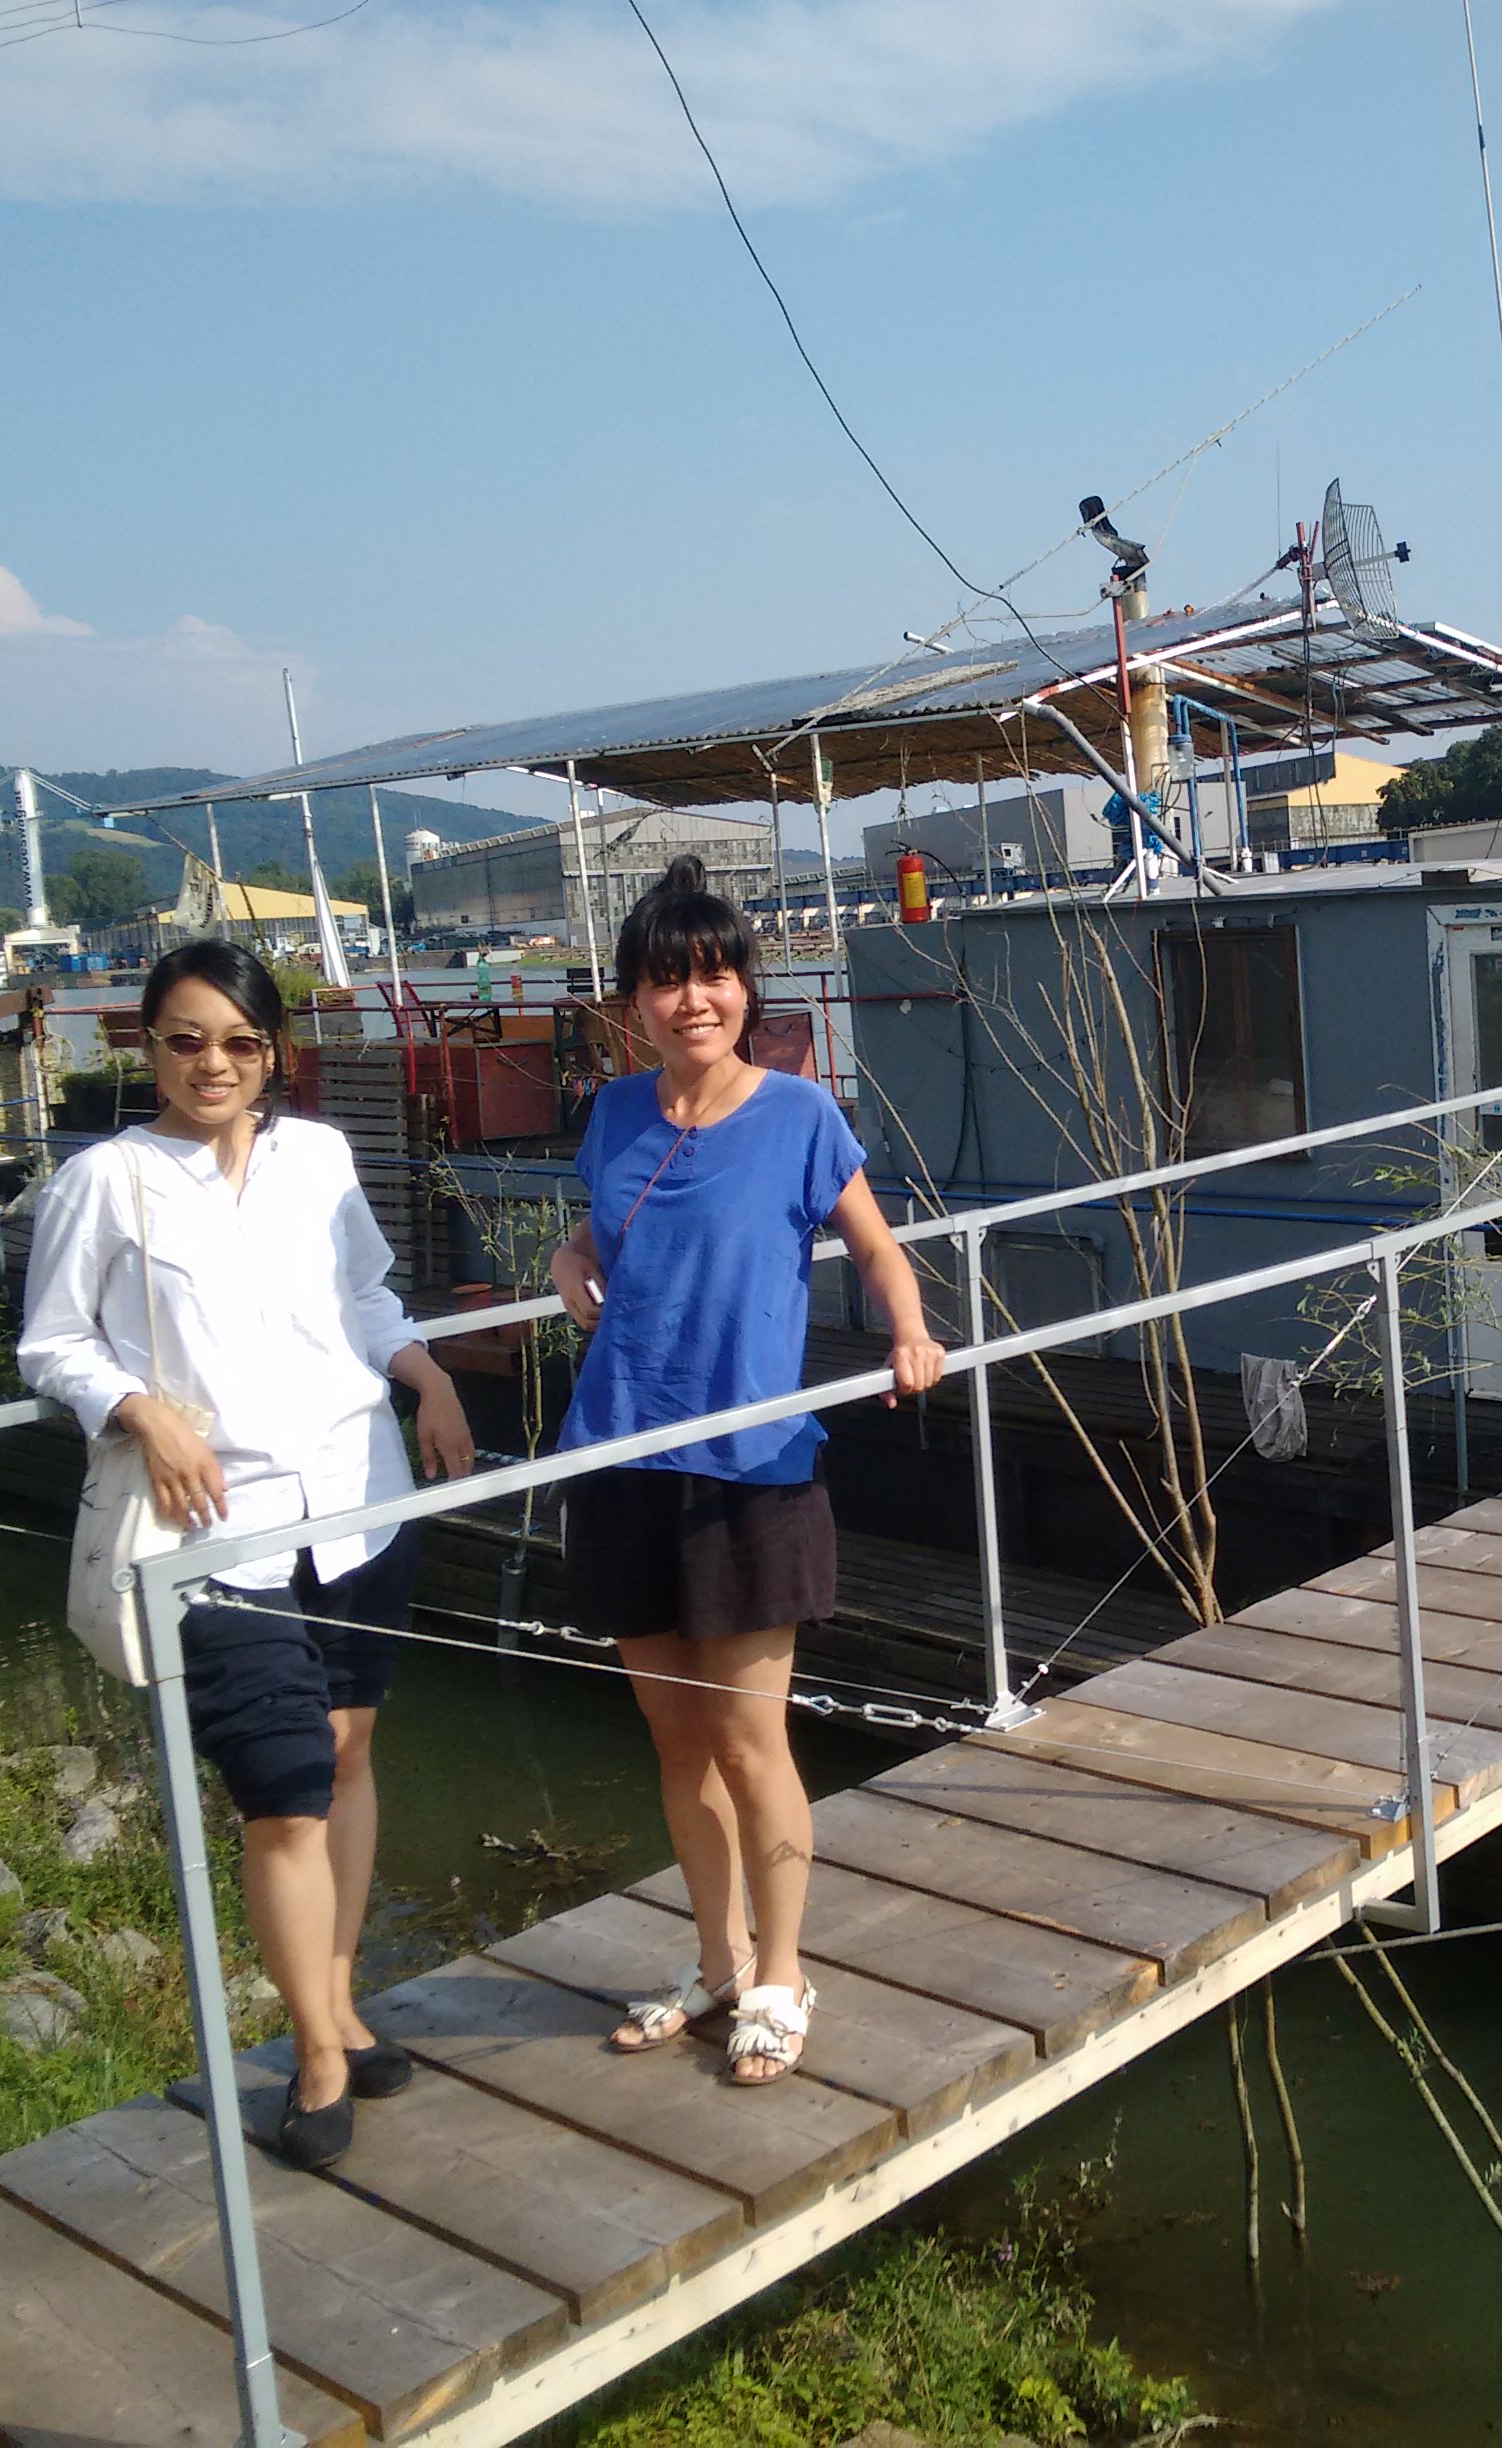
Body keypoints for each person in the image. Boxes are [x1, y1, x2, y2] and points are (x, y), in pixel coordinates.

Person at [20, 940, 476, 2169]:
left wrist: (424, 1373)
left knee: (352, 1750)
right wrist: (138, 1407)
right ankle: (316, 2054)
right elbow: (52, 1345)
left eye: (237, 1041)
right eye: (185, 1039)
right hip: (217, 1533)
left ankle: (341, 1998)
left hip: (359, 1499)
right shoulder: (107, 1181)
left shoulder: (316, 1157)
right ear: (148, 1048)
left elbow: (366, 1297)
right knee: (282, 1794)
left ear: (272, 1052)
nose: (211, 1063)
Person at [550, 854, 941, 2085]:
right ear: (635, 1003)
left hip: (753, 1469)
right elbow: (604, 1228)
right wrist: (567, 1261)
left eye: (714, 975)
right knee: (676, 1745)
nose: (694, 1001)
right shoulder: (614, 1113)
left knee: (752, 1744)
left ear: (745, 989)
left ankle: (782, 1973)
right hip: (620, 1454)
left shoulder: (800, 1117)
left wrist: (911, 1331)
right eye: (667, 982)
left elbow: (878, 1251)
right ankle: (715, 1966)